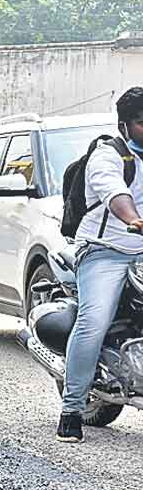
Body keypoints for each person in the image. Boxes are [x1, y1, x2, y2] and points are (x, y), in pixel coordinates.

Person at [58, 87, 143, 444]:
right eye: (141, 122)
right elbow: (115, 194)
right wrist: (135, 220)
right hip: (105, 250)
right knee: (93, 321)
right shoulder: (109, 156)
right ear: (124, 125)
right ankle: (71, 410)